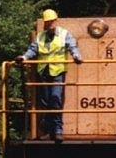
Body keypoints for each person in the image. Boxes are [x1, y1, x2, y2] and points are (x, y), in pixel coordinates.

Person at [16, 8, 82, 141]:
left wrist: (76, 56)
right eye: (47, 22)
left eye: (51, 21)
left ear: (56, 21)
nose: (49, 24)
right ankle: (48, 130)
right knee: (45, 102)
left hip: (57, 71)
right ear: (45, 23)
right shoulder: (40, 36)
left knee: (55, 98)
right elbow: (32, 50)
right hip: (43, 72)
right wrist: (23, 58)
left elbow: (72, 47)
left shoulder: (64, 34)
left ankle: (58, 130)